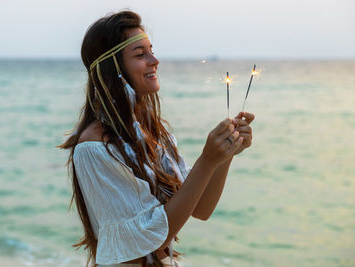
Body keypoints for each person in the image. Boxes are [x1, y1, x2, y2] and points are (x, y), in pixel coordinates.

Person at [59, 10, 255, 267]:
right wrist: (207, 160)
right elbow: (151, 239)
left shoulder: (154, 134)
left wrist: (224, 155)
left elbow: (201, 209)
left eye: (151, 50)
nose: (155, 60)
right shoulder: (95, 147)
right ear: (113, 68)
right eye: (141, 55)